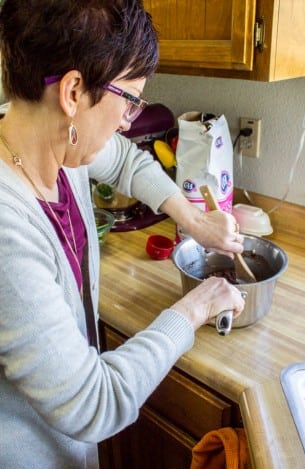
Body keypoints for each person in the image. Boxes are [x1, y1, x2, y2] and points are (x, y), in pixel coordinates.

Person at [0, 1, 246, 467]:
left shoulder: (50, 140)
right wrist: (194, 307)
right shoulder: (7, 228)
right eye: (130, 99)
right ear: (73, 91)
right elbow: (94, 403)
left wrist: (193, 221)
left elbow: (128, 160)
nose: (128, 120)